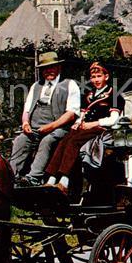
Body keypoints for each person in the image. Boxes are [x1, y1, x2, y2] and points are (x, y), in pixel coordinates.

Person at [44, 62, 124, 193]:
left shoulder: (114, 95)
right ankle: (52, 178)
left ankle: (64, 180)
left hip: (101, 129)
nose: (96, 80)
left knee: (74, 142)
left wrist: (94, 124)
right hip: (85, 127)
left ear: (106, 77)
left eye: (99, 76)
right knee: (64, 141)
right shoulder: (88, 95)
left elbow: (113, 119)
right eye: (93, 77)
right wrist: (78, 121)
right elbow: (83, 113)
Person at [10, 51, 81, 186]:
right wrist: (25, 123)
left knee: (47, 141)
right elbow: (27, 109)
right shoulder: (36, 86)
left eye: (52, 67)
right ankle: (11, 176)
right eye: (45, 68)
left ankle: (33, 178)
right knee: (21, 140)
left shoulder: (69, 84)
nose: (49, 71)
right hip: (35, 127)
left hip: (59, 128)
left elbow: (71, 113)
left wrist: (51, 126)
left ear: (58, 67)